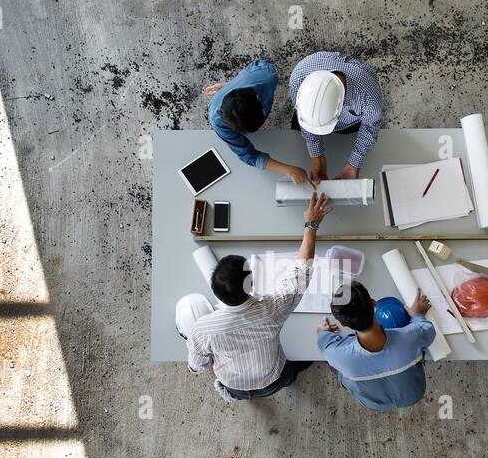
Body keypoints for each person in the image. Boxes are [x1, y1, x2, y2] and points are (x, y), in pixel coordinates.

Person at [185, 192, 333, 402]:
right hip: (273, 378)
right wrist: (311, 224)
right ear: (250, 285)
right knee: (292, 371)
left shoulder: (202, 329)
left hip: (233, 386)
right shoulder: (271, 309)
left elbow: (197, 367)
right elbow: (302, 271)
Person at [316, 282, 435, 412]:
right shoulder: (412, 336)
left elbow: (325, 343)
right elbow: (427, 329)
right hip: (413, 394)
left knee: (340, 372)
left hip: (375, 403)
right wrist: (417, 315)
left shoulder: (336, 355)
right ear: (373, 303)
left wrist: (323, 331)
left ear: (343, 323)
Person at [203, 59, 311, 186]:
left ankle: (227, 88)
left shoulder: (267, 74)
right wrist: (289, 170)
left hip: (252, 79)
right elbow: (248, 156)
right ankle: (226, 89)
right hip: (225, 100)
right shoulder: (218, 123)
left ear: (259, 101)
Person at [289, 51, 384, 183]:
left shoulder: (369, 99)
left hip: (350, 123)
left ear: (341, 105)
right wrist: (316, 155)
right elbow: (305, 117)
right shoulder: (297, 78)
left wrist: (353, 165)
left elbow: (369, 128)